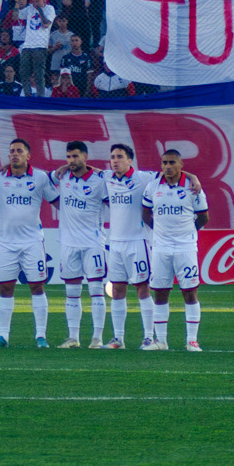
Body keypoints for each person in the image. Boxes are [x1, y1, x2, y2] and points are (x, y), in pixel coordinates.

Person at [0, 138, 60, 348]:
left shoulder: (40, 178)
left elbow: (58, 202)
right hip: (7, 243)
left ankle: (41, 336)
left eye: (19, 151)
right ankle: (3, 337)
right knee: (5, 288)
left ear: (28, 155)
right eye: (12, 151)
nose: (14, 154)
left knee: (37, 286)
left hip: (32, 242)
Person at [142, 150, 209, 352]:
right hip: (160, 248)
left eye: (172, 162)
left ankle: (192, 340)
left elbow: (204, 217)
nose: (167, 166)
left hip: (185, 247)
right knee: (160, 293)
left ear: (181, 165)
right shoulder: (153, 186)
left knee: (190, 292)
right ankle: (161, 341)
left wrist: (188, 233)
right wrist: (160, 233)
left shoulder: (193, 188)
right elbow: (145, 214)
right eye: (164, 163)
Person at [50, 140, 111, 349]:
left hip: (93, 243)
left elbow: (114, 204)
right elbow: (39, 179)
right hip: (68, 243)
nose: (71, 160)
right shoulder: (63, 176)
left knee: (96, 290)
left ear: (85, 157)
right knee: (72, 292)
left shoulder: (99, 180)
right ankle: (73, 337)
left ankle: (97, 337)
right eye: (68, 157)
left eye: (75, 156)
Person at [104, 144, 159, 349]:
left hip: (138, 241)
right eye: (112, 157)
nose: (115, 160)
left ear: (130, 160)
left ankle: (149, 337)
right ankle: (118, 339)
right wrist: (64, 168)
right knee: (117, 289)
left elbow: (170, 174)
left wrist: (193, 178)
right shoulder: (106, 178)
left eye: (120, 157)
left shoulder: (144, 178)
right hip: (115, 243)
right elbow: (86, 169)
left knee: (142, 288)